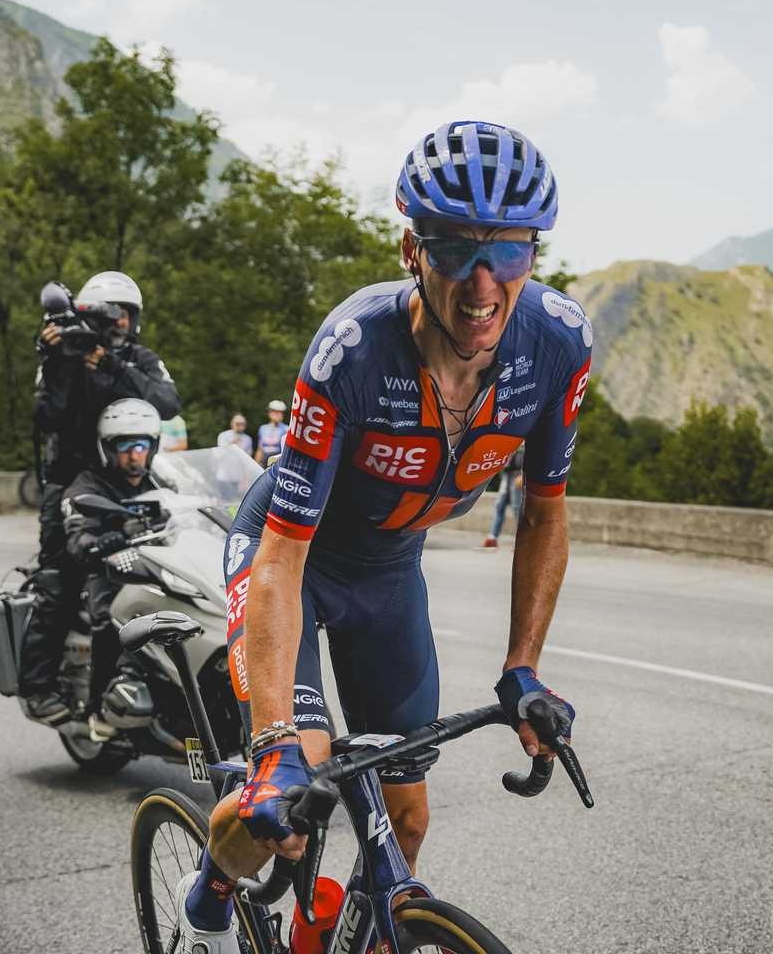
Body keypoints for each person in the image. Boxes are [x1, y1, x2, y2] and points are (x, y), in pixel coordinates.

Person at [173, 121, 593, 949]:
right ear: (412, 248)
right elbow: (284, 554)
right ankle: (212, 891)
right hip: (290, 557)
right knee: (284, 801)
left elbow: (545, 510)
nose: (482, 284)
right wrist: (273, 744)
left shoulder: (558, 345)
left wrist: (523, 669)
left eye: (507, 253)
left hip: (389, 572)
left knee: (404, 813)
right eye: (452, 251)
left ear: (533, 256)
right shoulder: (353, 351)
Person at [20, 270, 181, 725]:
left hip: (131, 475)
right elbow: (47, 416)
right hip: (72, 481)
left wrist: (109, 365)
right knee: (58, 581)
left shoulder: (139, 359)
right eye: (111, 314)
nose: (121, 323)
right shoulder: (63, 354)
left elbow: (167, 403)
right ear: (87, 316)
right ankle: (38, 686)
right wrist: (56, 362)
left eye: (128, 314)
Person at [57, 399, 164, 739]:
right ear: (108, 448)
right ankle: (98, 706)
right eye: (124, 446)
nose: (134, 455)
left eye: (141, 445)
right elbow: (78, 536)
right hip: (104, 571)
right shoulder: (88, 485)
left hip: (154, 565)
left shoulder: (160, 482)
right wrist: (105, 539)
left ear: (152, 447)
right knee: (112, 618)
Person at [481, 446, 525, 548]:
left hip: (518, 475)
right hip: (507, 475)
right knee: (499, 506)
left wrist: (524, 475)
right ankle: (492, 538)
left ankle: (523, 541)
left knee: (517, 508)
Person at [255, 400, 288, 466]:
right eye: (276, 412)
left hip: (278, 462)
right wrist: (256, 465)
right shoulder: (263, 428)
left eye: (281, 412)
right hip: (264, 461)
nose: (279, 415)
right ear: (269, 413)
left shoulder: (286, 429)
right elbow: (260, 449)